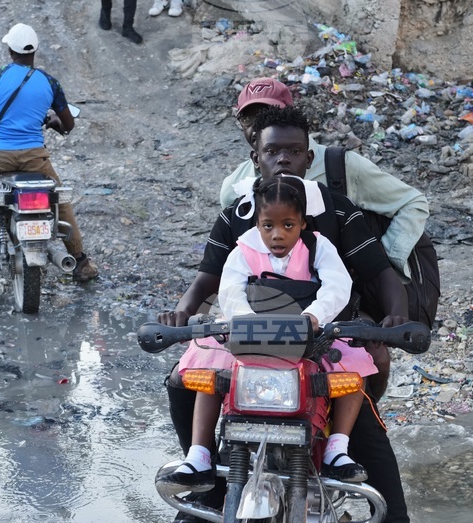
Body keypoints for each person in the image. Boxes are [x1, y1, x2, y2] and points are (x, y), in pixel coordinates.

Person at [159, 106, 448, 523]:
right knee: (184, 380)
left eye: (293, 151)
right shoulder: (240, 216)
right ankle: (206, 485)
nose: (284, 160)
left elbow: (378, 272)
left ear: (308, 156)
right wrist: (182, 312)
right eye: (273, 151)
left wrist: (395, 324)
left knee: (371, 441)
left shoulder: (336, 211)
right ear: (256, 157)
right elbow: (212, 278)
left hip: (322, 344)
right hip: (249, 342)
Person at [157, 175, 373, 494]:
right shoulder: (244, 249)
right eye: (268, 225)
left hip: (308, 337)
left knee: (356, 365)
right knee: (210, 368)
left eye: (288, 225)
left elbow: (338, 286)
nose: (277, 234)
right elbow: (229, 289)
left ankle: (336, 450)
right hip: (250, 337)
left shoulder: (320, 248)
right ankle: (199, 455)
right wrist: (244, 319)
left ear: (303, 223)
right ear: (257, 223)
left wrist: (314, 315)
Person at [221, 77, 433, 400]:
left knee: (370, 363)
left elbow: (410, 207)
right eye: (251, 117)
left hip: (336, 306)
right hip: (257, 312)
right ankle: (199, 450)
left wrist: (387, 274)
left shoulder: (339, 170)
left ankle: (354, 437)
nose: (259, 123)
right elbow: (224, 266)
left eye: (271, 113)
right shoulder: (235, 193)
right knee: (198, 377)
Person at [0, 23, 98, 294]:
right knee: (61, 203)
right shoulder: (49, 82)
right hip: (35, 158)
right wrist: (54, 120)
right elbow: (67, 124)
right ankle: (81, 262)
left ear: (10, 49)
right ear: (34, 51)